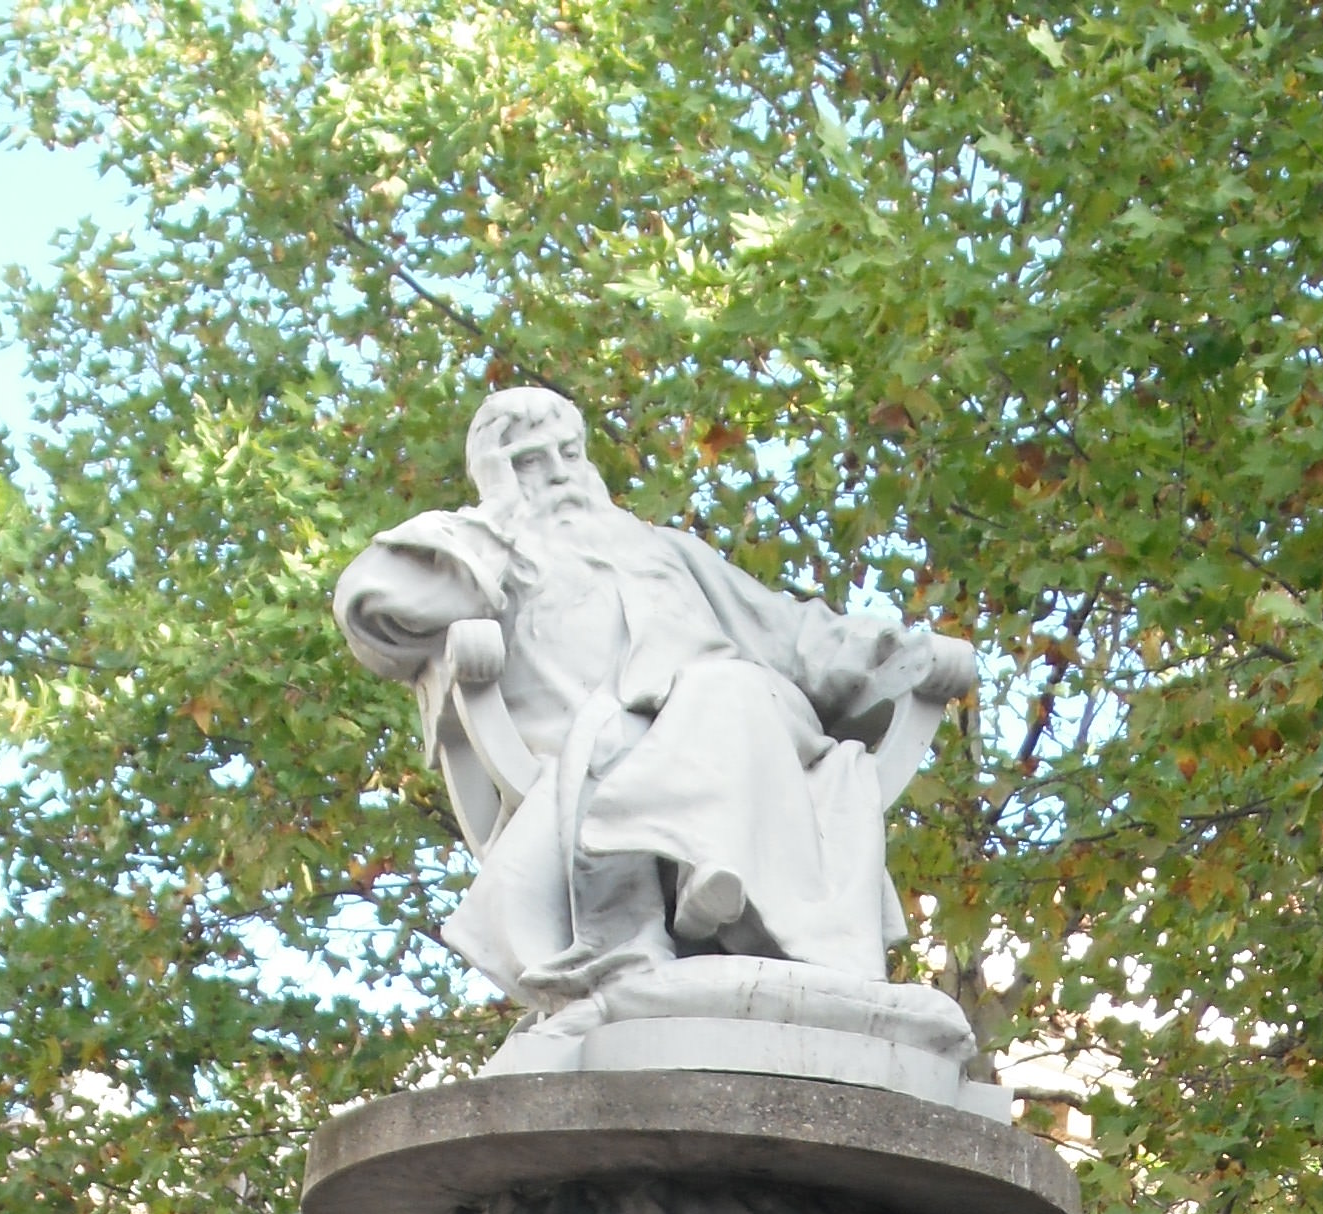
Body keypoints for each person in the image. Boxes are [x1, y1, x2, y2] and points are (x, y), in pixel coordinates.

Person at [333, 388, 976, 1015]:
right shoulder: (479, 552)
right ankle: (709, 867)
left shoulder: (661, 548)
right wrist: (494, 523)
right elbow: (375, 608)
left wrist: (903, 656)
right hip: (601, 759)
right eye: (530, 461)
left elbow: (794, 633)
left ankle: (713, 872)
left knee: (726, 685)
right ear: (495, 474)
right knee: (719, 690)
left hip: (748, 726)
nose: (558, 473)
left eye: (569, 453)